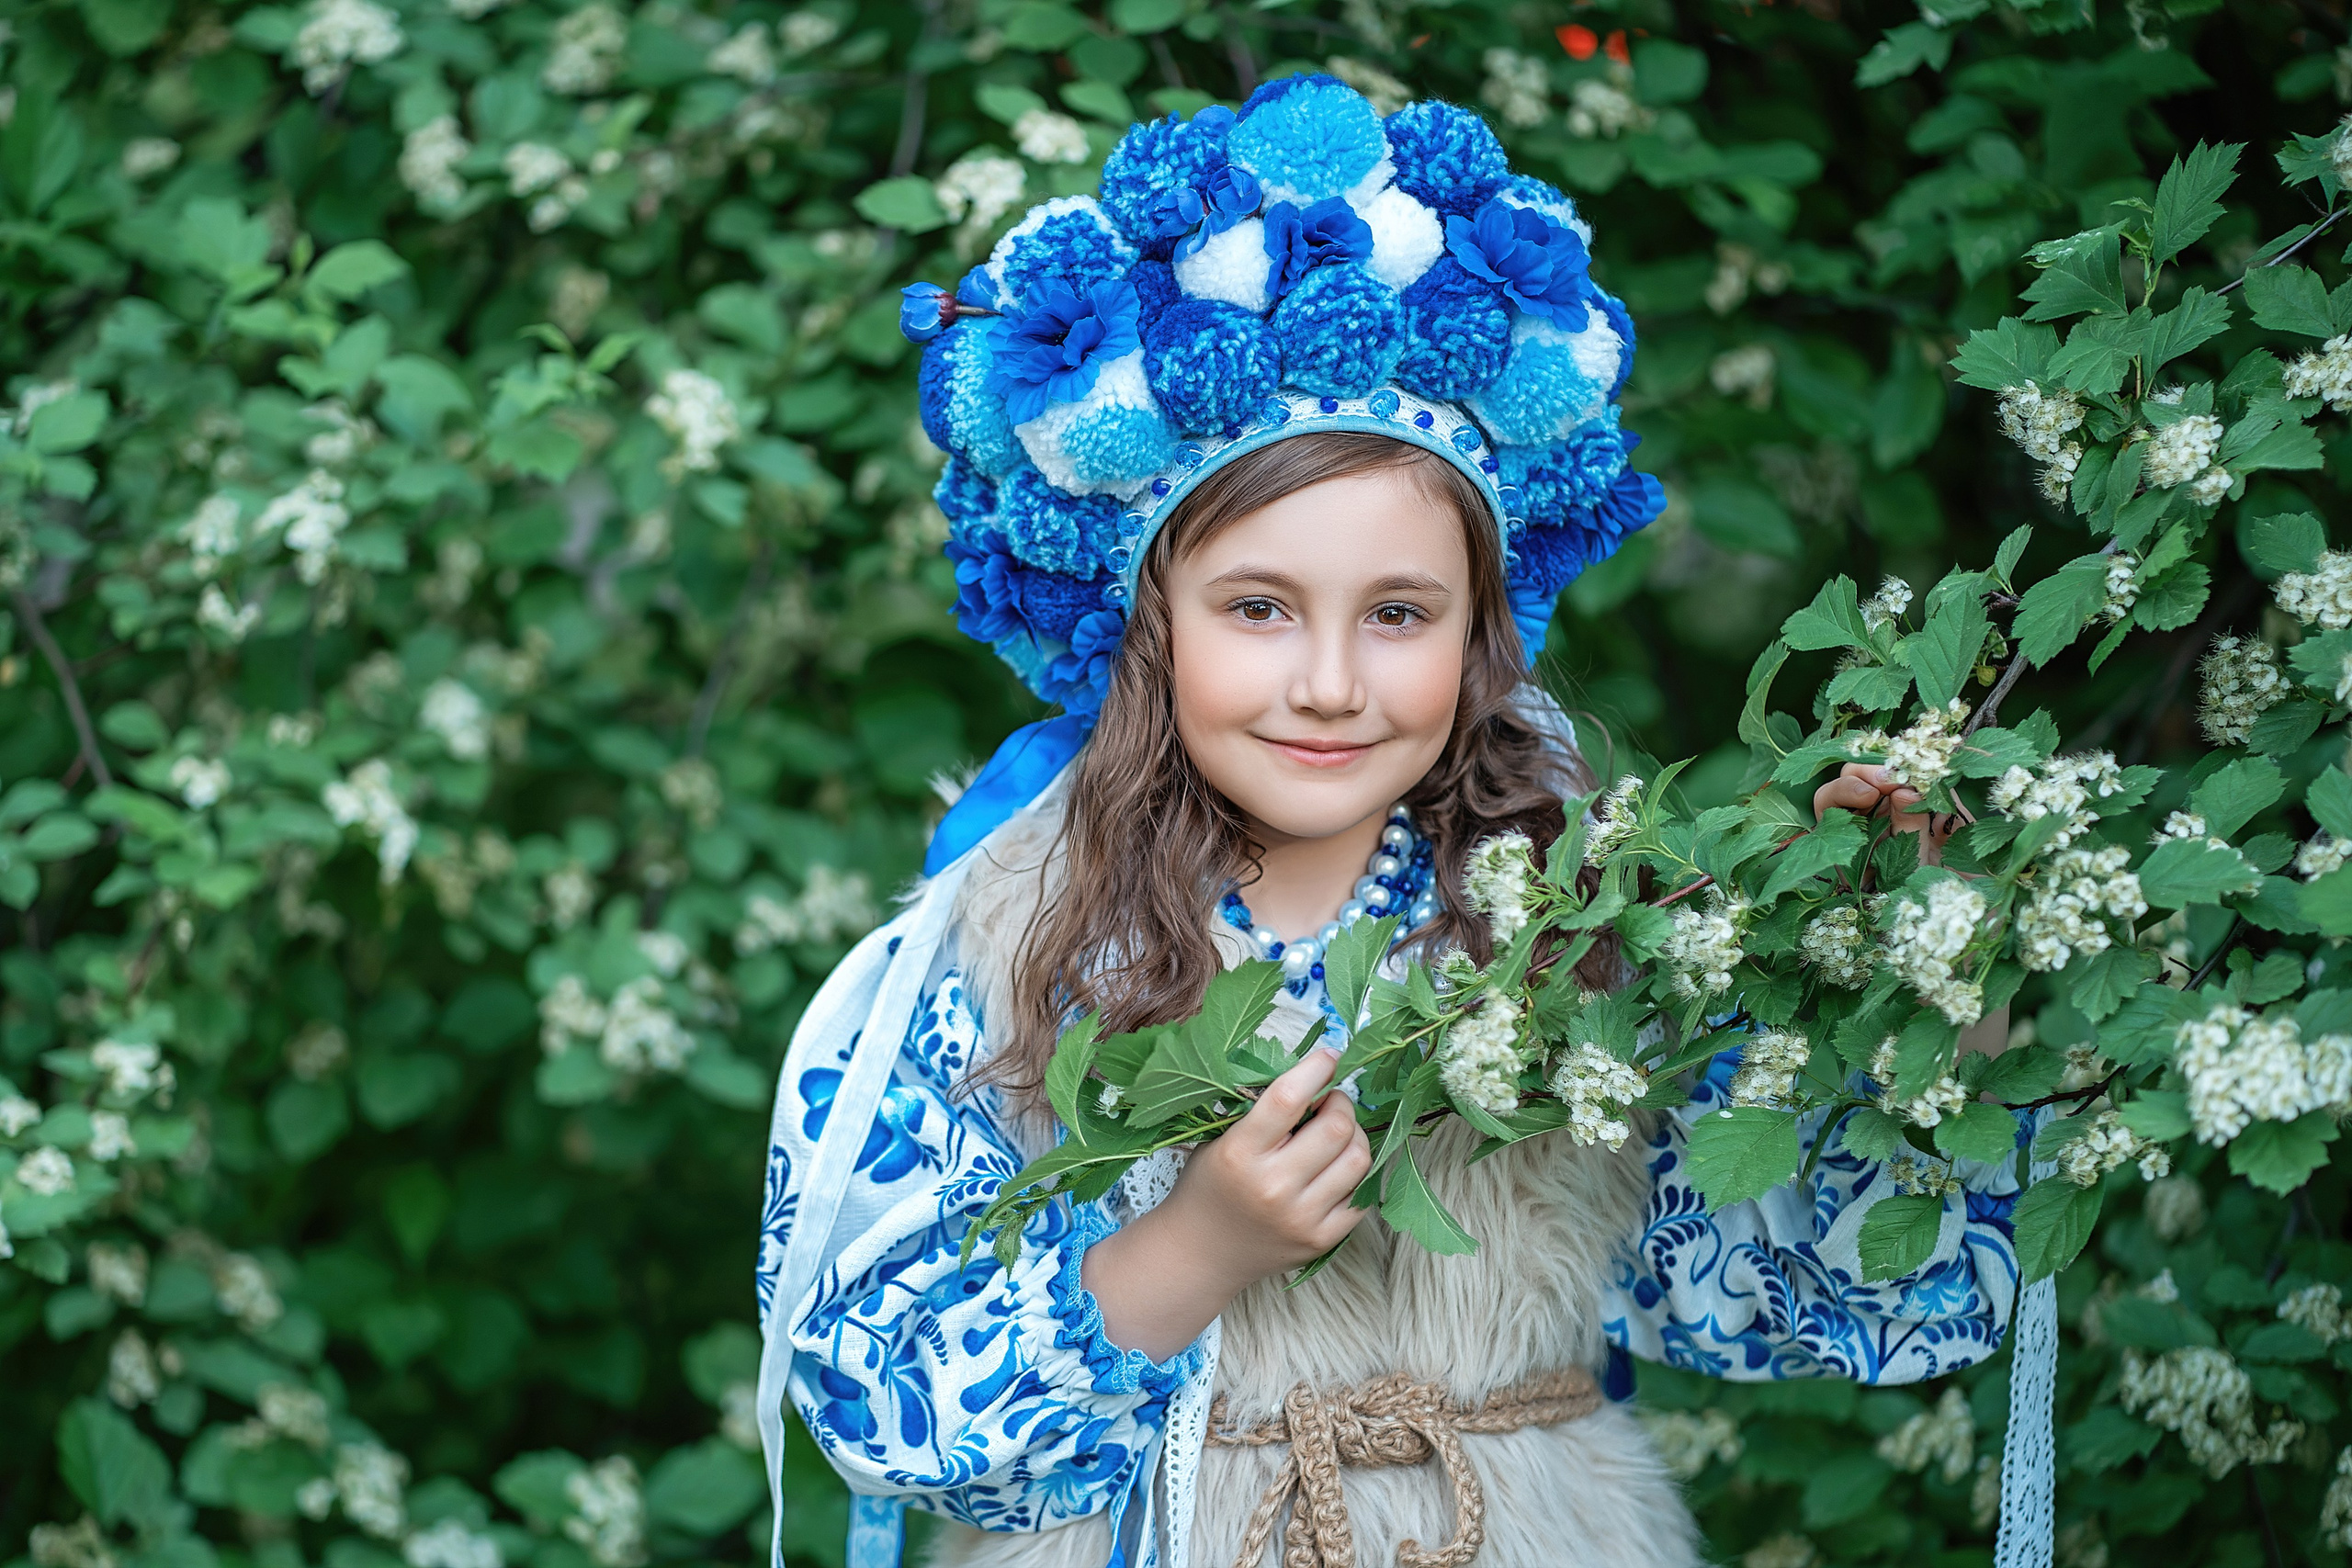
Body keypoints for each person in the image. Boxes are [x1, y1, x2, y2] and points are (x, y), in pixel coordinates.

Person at [753, 77, 2033, 1568]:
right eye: (1257, 608)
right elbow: (880, 1400)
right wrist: (1195, 1249)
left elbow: (1806, 1288)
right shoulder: (1015, 933)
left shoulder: (1580, 916)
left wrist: (1921, 989)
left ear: (1486, 628)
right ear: (1143, 620)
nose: (1332, 683)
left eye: (1401, 614)